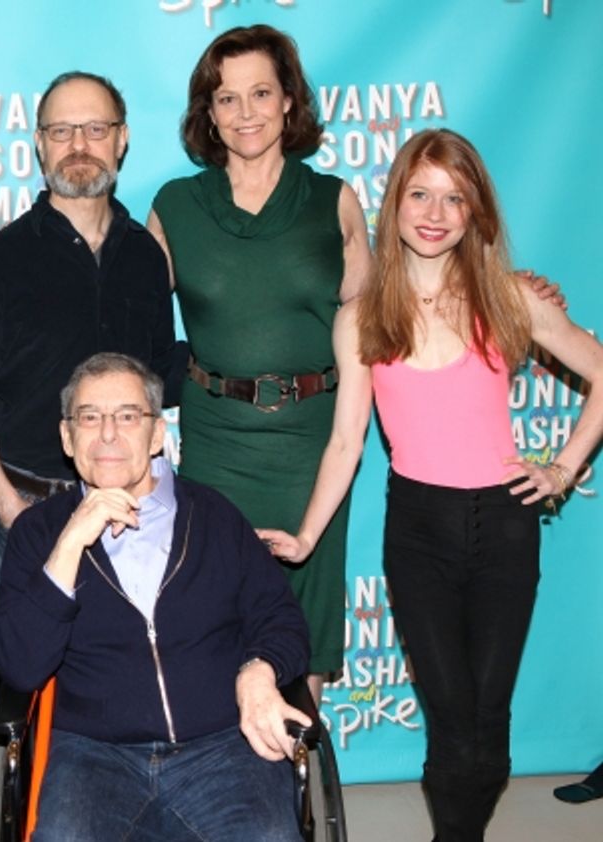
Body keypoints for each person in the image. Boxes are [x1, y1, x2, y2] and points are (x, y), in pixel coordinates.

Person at [256, 129, 603, 842]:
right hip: (417, 530)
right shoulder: (361, 318)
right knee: (449, 719)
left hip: (505, 528)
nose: (436, 211)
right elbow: (347, 441)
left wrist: (563, 467)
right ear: (395, 203)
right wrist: (307, 535)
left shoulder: (510, 298)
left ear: (475, 213)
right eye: (421, 193)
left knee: (489, 720)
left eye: (455, 197)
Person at [0, 352, 309, 841]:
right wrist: (71, 542)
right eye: (90, 417)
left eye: (127, 416)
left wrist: (259, 670)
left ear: (158, 434)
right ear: (67, 437)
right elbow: (20, 665)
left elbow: (282, 619)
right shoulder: (38, 534)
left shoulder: (215, 517)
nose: (108, 434)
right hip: (94, 755)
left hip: (221, 747)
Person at [147, 24, 372, 698]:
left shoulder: (334, 200)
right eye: (226, 98)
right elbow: (121, 311)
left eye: (261, 93)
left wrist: (513, 295)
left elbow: (382, 317)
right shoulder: (176, 206)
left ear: (288, 102)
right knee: (217, 621)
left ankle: (302, 793)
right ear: (207, 113)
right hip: (216, 444)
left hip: (313, 445)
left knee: (300, 641)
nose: (245, 113)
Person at [0, 70, 182, 634]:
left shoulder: (146, 258)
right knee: (18, 706)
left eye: (95, 129)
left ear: (122, 139)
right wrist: (9, 509)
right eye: (62, 130)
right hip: (29, 513)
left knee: (118, 693)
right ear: (39, 143)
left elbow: (158, 387)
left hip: (131, 516)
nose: (79, 146)